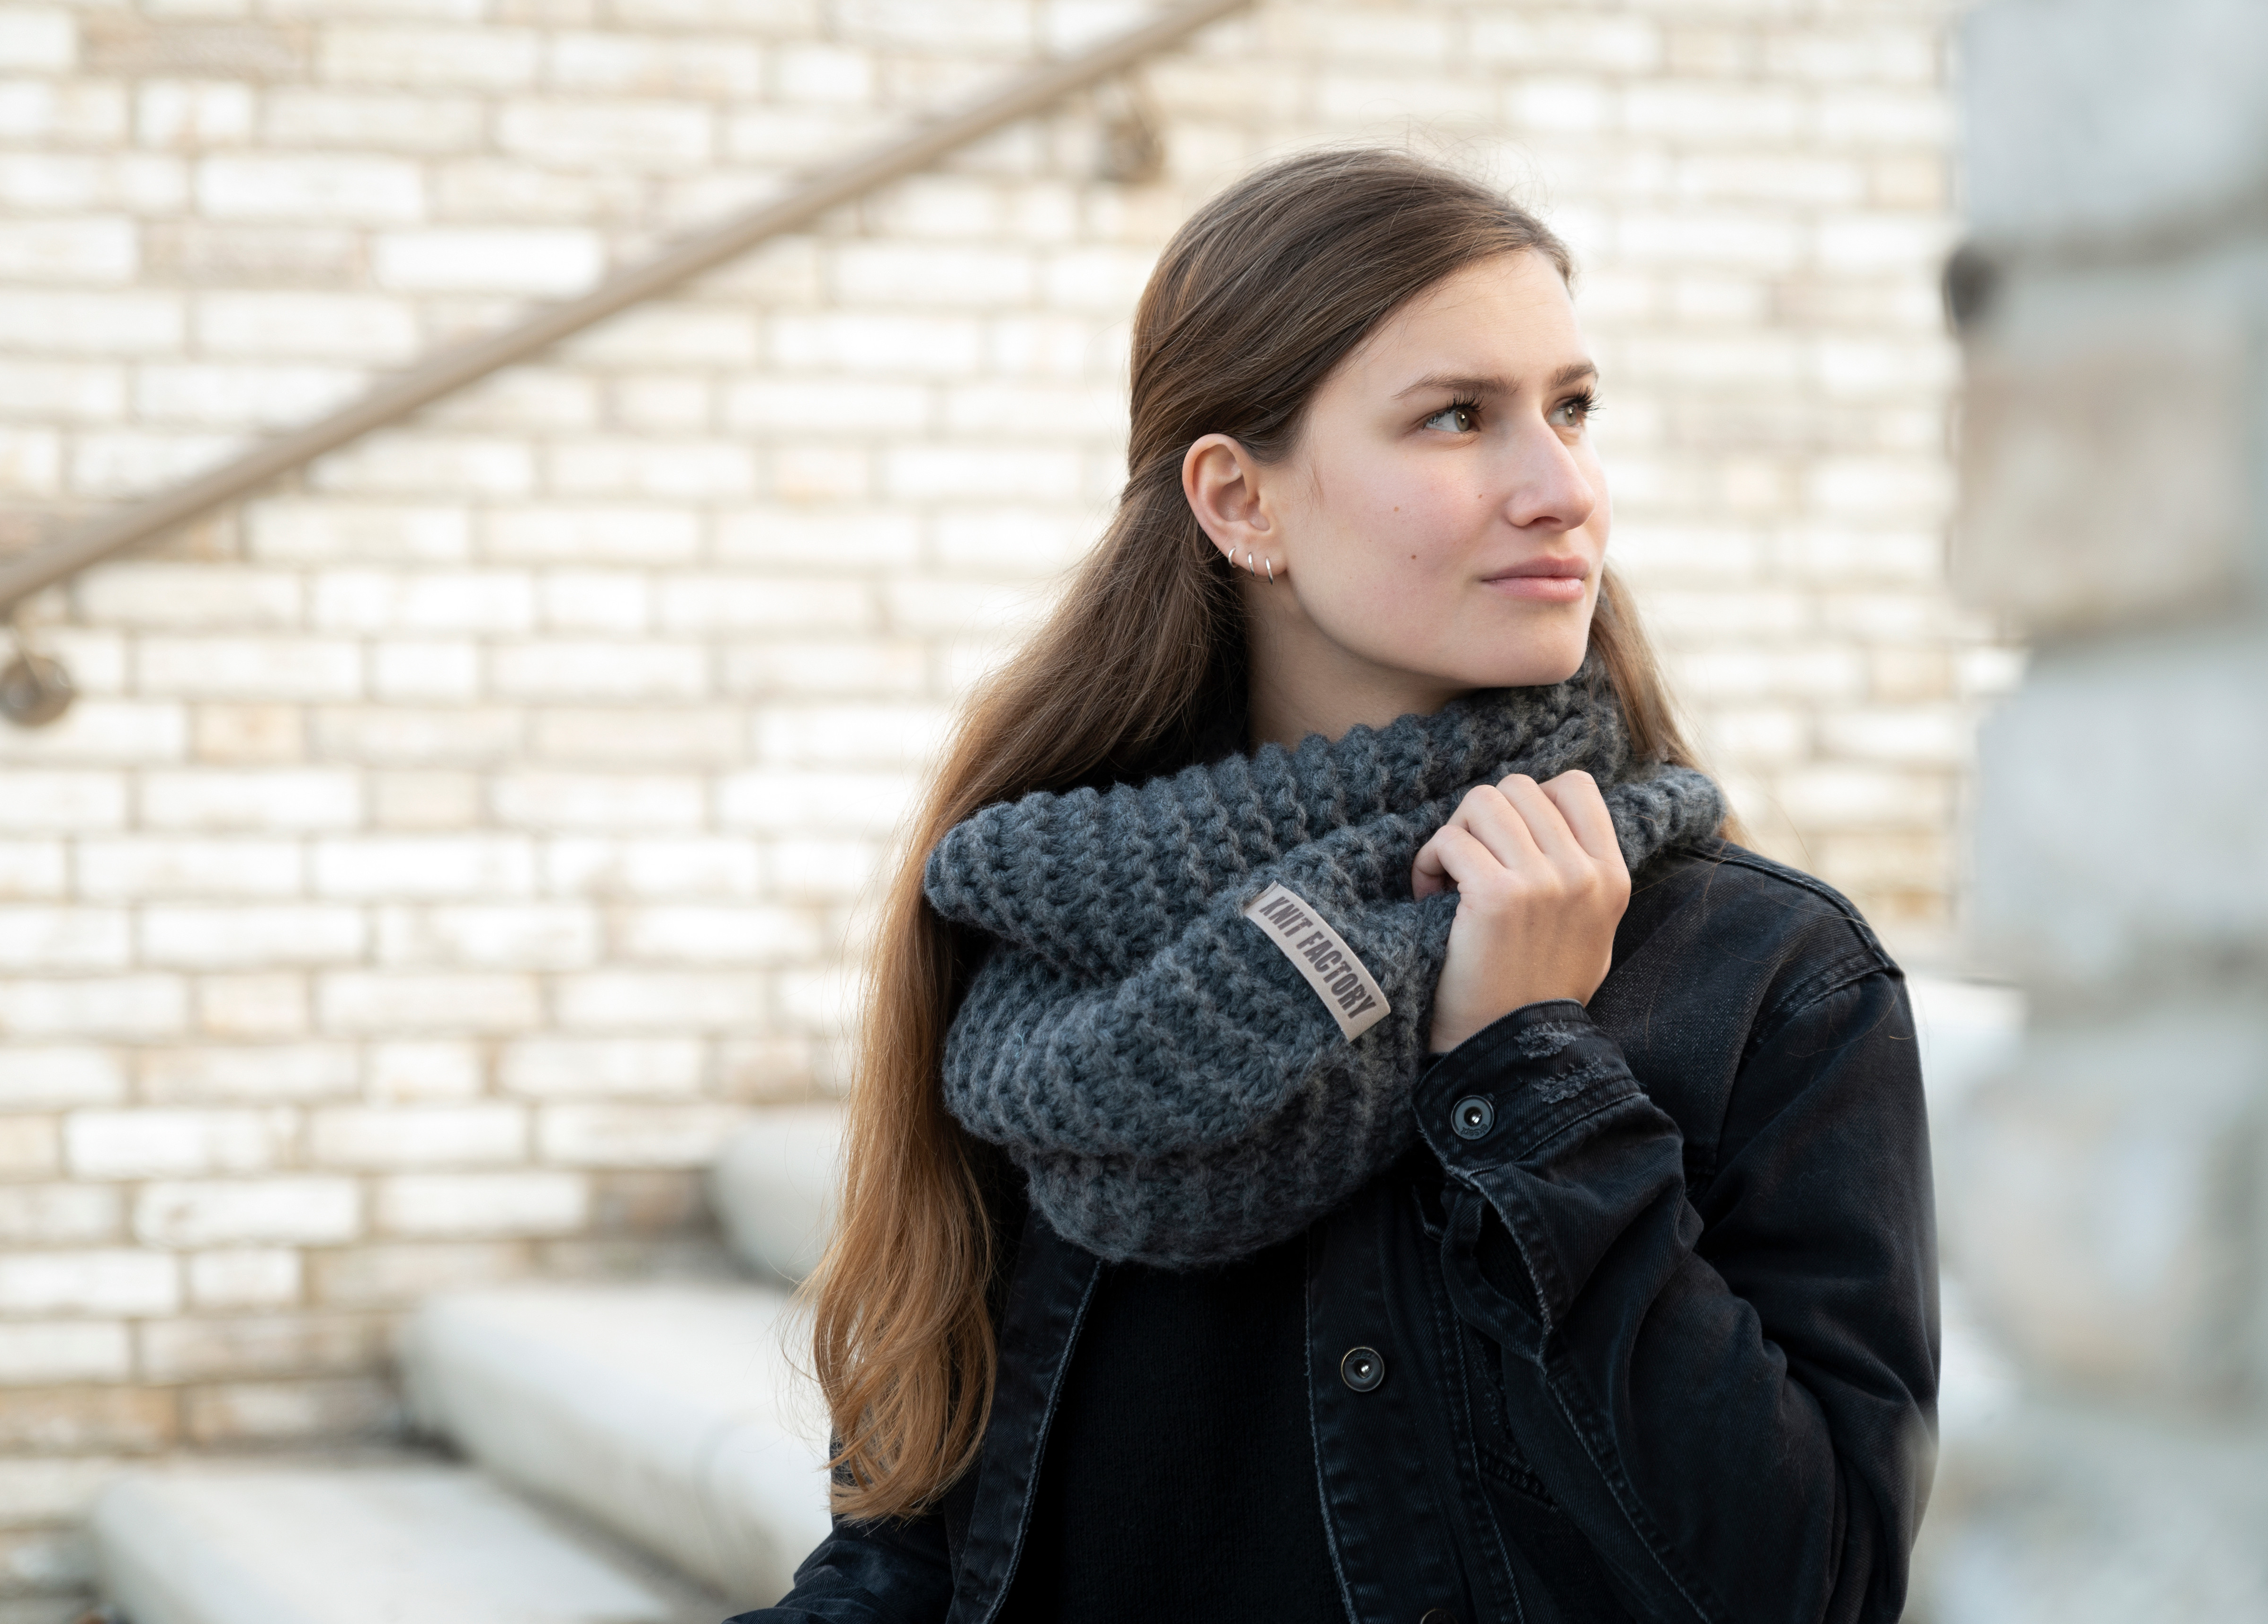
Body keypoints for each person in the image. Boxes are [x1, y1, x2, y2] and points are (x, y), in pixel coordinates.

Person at [734, 147, 1937, 1624]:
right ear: (1239, 501)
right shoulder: (1052, 959)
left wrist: (1531, 1078)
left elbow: (1814, 1590)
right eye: (1456, 418)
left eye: (1570, 410)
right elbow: (910, 1553)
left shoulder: (1762, 978)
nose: (1562, 489)